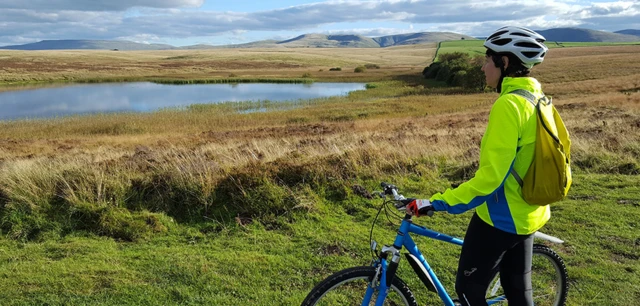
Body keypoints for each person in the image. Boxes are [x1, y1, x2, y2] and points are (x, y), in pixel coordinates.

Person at [404, 26, 551, 306]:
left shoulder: (509, 105)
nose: (483, 67)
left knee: (468, 292)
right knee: (519, 292)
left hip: (500, 219)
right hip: (530, 213)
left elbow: (490, 180)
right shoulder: (540, 100)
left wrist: (436, 202)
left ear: (504, 63)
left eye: (488, 59)